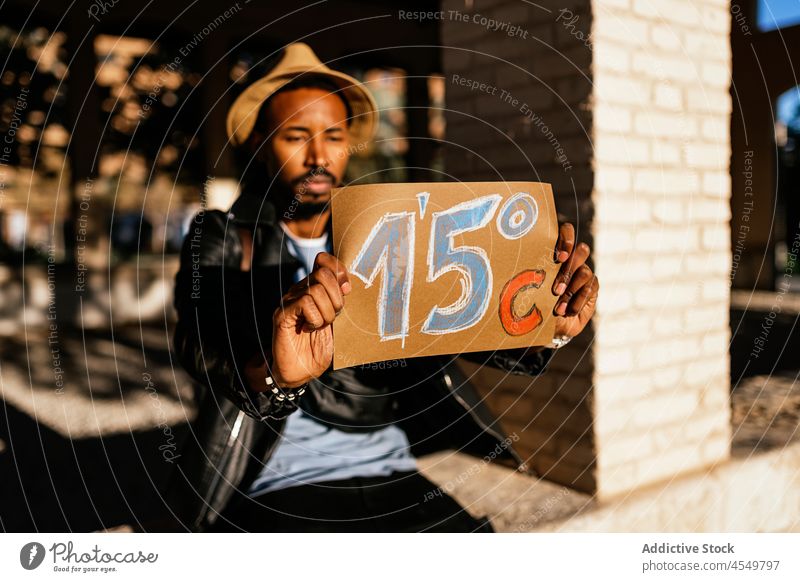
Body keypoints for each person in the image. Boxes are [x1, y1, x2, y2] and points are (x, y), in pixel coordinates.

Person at [168, 43, 599, 533]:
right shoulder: (222, 235)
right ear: (261, 142)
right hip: (277, 485)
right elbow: (197, 342)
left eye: (333, 136)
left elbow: (457, 316)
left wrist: (545, 320)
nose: (318, 156)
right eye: (295, 136)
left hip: (394, 473)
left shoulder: (387, 234)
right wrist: (274, 373)